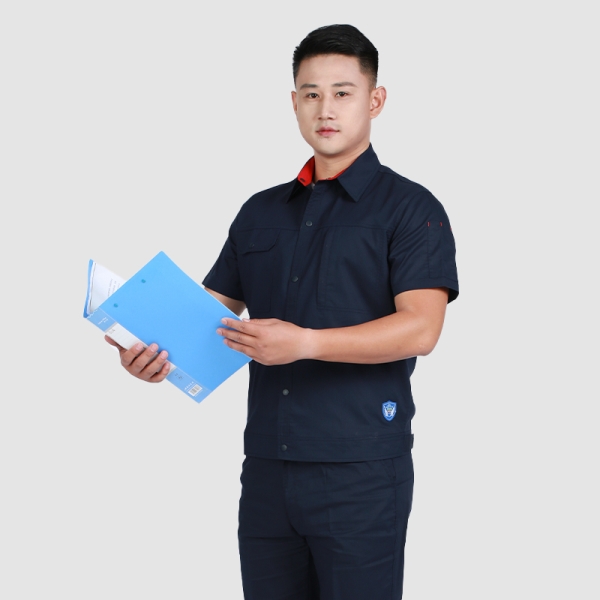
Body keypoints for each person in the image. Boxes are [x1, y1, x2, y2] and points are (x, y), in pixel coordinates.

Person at [106, 23, 459, 600]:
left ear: (375, 100)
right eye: (311, 93)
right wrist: (148, 351)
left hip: (361, 472)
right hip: (268, 468)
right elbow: (208, 319)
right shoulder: (260, 212)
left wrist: (306, 343)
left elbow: (422, 328)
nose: (326, 109)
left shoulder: (411, 208)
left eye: (343, 92)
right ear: (294, 102)